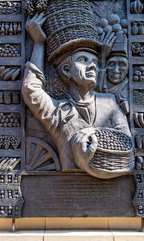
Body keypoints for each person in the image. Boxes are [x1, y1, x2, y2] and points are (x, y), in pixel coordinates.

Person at [22, 12, 133, 179]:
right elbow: (31, 90)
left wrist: (91, 136)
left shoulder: (109, 103)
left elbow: (125, 139)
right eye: (84, 60)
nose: (92, 66)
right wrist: (38, 44)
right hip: (64, 190)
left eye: (94, 62)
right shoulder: (58, 112)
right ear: (67, 70)